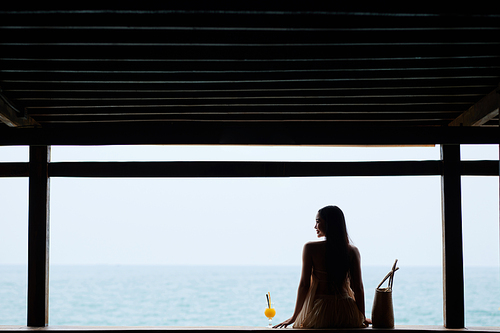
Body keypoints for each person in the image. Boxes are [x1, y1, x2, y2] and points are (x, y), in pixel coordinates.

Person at [274, 205, 370, 328]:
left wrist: (294, 317)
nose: (315, 226)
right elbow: (358, 288)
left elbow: (304, 285)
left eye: (318, 221)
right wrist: (361, 316)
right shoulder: (352, 251)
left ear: (329, 223)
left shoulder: (310, 248)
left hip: (321, 311)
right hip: (347, 310)